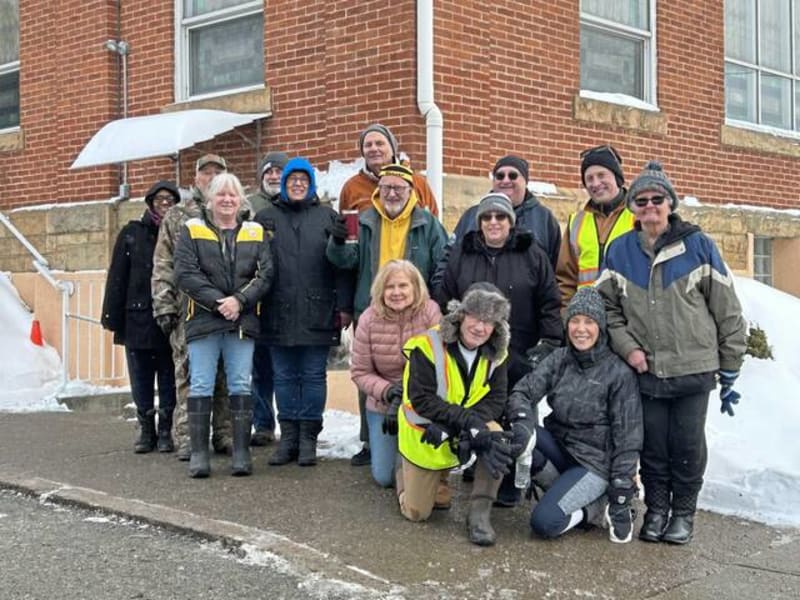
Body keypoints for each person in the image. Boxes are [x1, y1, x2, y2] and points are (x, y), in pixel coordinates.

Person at [596, 161, 747, 544]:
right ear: (632, 206)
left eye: (657, 199)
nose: (649, 206)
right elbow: (606, 309)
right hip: (645, 370)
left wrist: (730, 369)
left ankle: (683, 514)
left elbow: (727, 309)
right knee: (653, 447)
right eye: (641, 200)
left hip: (692, 369)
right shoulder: (619, 251)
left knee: (687, 446)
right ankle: (657, 509)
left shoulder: (698, 245)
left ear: (670, 203)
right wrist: (628, 349)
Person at [435, 191, 563, 506]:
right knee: (477, 410)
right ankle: (479, 466)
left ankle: (510, 481)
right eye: (487, 217)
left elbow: (549, 301)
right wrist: (452, 332)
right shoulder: (463, 253)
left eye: (501, 216)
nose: (494, 222)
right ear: (479, 223)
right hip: (472, 352)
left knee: (516, 416)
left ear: (511, 221)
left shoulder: (531, 252)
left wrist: (548, 343)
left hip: (519, 351)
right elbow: (447, 295)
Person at [329, 162, 448, 467]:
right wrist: (338, 240)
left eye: (399, 188)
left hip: (416, 310)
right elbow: (344, 262)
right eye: (386, 188)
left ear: (411, 191)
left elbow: (441, 265)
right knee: (371, 370)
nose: (392, 193)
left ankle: (417, 432)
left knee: (419, 370)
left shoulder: (428, 224)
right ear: (378, 191)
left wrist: (432, 304)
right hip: (373, 308)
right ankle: (370, 441)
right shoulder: (366, 221)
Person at [508, 287, 643, 543]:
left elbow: (628, 438)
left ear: (600, 327)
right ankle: (564, 490)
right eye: (575, 321)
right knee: (514, 435)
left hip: (594, 463)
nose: (581, 329)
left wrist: (621, 488)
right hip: (562, 449)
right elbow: (522, 392)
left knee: (544, 522)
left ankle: (594, 510)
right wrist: (524, 422)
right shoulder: (560, 359)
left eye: (589, 322)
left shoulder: (618, 373)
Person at [397, 283, 515, 547]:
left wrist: (465, 425)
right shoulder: (426, 346)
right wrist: (465, 423)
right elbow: (422, 400)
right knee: (418, 513)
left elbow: (496, 399)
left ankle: (479, 514)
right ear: (461, 315)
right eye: (475, 316)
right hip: (426, 432)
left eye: (489, 321)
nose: (480, 327)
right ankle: (402, 471)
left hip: (455, 425)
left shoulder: (498, 353)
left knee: (497, 437)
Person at [254, 157, 351, 467]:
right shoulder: (264, 218)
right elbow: (251, 265)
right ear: (283, 184)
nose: (298, 184)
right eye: (292, 179)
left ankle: (309, 436)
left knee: (311, 376)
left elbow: (342, 266)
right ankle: (289, 437)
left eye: (303, 179)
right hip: (276, 309)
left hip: (317, 309)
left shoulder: (327, 217)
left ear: (311, 184)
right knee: (283, 377)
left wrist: (344, 306)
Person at [174, 173, 273, 478]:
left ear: (241, 199)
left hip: (241, 322)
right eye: (221, 195)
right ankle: (199, 454)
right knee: (201, 384)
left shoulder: (256, 232)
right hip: (204, 320)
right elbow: (186, 274)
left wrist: (239, 301)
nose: (227, 200)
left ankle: (242, 454)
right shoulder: (192, 229)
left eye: (233, 195)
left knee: (240, 384)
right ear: (210, 199)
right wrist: (220, 302)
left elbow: (265, 274)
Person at [152, 154, 235, 460]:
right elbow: (162, 263)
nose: (211, 177)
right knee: (189, 374)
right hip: (187, 310)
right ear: (196, 178)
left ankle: (224, 434)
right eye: (206, 173)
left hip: (227, 309)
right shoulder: (177, 216)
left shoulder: (237, 209)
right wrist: (163, 305)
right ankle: (188, 437)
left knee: (226, 374)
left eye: (218, 172)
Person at [101, 180, 179, 453]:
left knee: (169, 376)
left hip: (169, 318)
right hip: (137, 317)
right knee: (141, 376)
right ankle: (146, 428)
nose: (165, 203)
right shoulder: (132, 233)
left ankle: (167, 428)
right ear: (150, 202)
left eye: (170, 199)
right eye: (160, 199)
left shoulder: (179, 234)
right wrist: (111, 316)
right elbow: (117, 277)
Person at [350, 260, 441, 487]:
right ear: (381, 290)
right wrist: (388, 391)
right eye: (390, 287)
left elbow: (442, 365)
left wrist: (409, 395)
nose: (396, 292)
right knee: (385, 477)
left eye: (403, 285)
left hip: (423, 401)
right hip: (383, 402)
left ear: (415, 287)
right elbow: (360, 372)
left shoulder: (431, 312)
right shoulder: (368, 319)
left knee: (421, 467)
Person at [556, 144, 635, 309]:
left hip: (628, 319)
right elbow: (565, 280)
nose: (595, 183)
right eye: (589, 178)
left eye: (601, 175)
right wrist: (568, 317)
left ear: (617, 178)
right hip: (586, 322)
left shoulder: (639, 217)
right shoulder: (576, 222)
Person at [450, 155, 561, 269]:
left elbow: (557, 268)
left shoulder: (544, 219)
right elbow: (448, 258)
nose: (506, 180)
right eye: (500, 176)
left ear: (525, 181)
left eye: (512, 176)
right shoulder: (471, 216)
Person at [247, 150, 289, 447]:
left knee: (285, 367)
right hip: (257, 298)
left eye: (278, 171)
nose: (274, 177)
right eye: (268, 172)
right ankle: (263, 423)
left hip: (288, 298)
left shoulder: (296, 203)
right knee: (259, 366)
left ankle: (290, 422)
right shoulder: (249, 206)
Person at [339, 123, 439, 216]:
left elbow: (433, 226)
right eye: (368, 145)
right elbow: (346, 228)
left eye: (379, 143)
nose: (373, 149)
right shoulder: (351, 187)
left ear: (393, 149)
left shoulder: (417, 182)